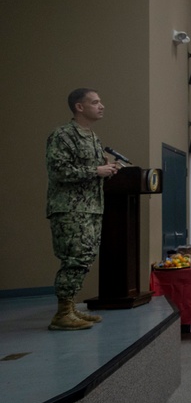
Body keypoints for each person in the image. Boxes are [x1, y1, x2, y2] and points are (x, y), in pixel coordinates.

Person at [46, 88, 122, 330]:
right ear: (80, 107)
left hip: (91, 208)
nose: (102, 106)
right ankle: (62, 313)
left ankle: (70, 310)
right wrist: (96, 171)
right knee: (74, 259)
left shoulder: (92, 136)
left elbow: (93, 171)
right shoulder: (62, 135)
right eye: (95, 102)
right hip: (70, 209)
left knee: (85, 258)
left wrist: (109, 169)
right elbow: (58, 171)